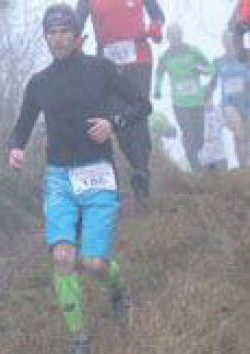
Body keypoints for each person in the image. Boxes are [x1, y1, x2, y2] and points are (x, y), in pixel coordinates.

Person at [7, 4, 151, 354]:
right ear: (46, 37)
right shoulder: (38, 82)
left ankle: (119, 294)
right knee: (62, 257)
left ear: (77, 35)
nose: (58, 39)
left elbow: (142, 103)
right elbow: (22, 125)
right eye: (51, 33)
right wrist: (14, 149)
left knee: (94, 263)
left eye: (64, 32)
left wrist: (113, 123)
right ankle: (79, 340)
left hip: (98, 174)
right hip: (59, 178)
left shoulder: (101, 69)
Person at [76, 1, 164, 204]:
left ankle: (141, 171)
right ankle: (139, 168)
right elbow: (76, 24)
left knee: (137, 113)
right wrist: (73, 46)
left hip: (138, 59)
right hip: (107, 65)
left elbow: (157, 13)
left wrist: (156, 27)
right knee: (118, 118)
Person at [155, 23, 213, 172]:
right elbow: (159, 74)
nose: (175, 38)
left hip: (196, 101)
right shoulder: (165, 57)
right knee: (188, 132)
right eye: (171, 35)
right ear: (168, 38)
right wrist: (157, 90)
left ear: (181, 35)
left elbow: (211, 68)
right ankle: (195, 165)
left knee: (199, 137)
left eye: (177, 34)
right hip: (179, 103)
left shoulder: (193, 51)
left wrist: (200, 69)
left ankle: (195, 157)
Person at [209, 30, 250, 165]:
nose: (228, 44)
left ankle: (245, 164)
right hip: (229, 104)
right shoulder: (218, 62)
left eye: (231, 41)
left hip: (247, 101)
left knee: (246, 135)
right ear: (223, 43)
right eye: (225, 41)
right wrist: (206, 98)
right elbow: (212, 83)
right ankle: (243, 165)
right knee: (238, 130)